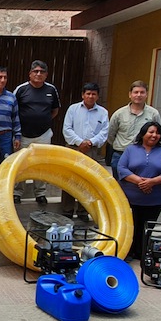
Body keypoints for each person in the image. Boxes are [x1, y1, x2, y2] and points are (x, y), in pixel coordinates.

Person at [117, 122, 161, 260]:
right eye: (151, 132)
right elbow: (122, 168)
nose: (154, 135)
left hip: (155, 198)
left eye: (157, 133)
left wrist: (152, 182)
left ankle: (141, 251)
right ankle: (128, 252)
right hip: (131, 197)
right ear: (143, 133)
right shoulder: (131, 149)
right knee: (131, 226)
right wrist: (139, 181)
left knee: (147, 226)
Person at [13, 60, 60, 205]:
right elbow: (14, 111)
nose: (38, 74)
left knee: (41, 165)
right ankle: (16, 192)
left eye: (42, 72)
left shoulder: (51, 90)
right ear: (30, 73)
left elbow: (55, 110)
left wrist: (42, 120)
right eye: (36, 71)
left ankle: (40, 193)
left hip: (43, 135)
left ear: (46, 75)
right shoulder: (21, 90)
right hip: (23, 135)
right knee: (20, 165)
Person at [61, 82, 109, 221]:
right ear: (83, 95)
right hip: (73, 148)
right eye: (88, 93)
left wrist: (90, 142)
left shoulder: (103, 112)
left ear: (98, 96)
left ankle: (83, 211)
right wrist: (79, 142)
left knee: (87, 181)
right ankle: (67, 210)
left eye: (94, 94)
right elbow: (67, 129)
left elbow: (104, 132)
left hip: (92, 150)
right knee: (69, 179)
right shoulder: (73, 109)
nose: (90, 96)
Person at [107, 80, 161, 180]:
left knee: (138, 186)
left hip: (143, 156)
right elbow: (110, 135)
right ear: (130, 94)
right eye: (136, 92)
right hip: (120, 155)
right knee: (118, 188)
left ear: (146, 95)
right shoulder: (119, 114)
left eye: (142, 92)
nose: (139, 95)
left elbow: (158, 134)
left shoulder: (153, 114)